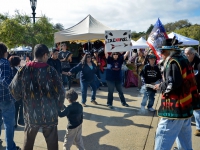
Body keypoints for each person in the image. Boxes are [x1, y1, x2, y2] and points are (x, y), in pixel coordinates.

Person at [9, 44, 65, 150]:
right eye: (47, 55)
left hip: (31, 113)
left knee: (28, 142)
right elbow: (61, 91)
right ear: (44, 55)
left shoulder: (23, 70)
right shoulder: (51, 70)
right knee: (52, 142)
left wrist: (22, 100)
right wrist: (59, 106)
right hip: (50, 113)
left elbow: (13, 88)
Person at [154, 38, 200, 150]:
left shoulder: (173, 61)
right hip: (185, 106)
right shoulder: (183, 58)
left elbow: (172, 83)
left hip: (175, 108)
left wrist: (160, 86)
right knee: (185, 141)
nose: (161, 54)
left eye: (163, 52)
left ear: (170, 51)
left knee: (163, 136)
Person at [0, 42, 21, 150]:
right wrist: (14, 90)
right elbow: (4, 80)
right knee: (9, 125)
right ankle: (11, 147)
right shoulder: (4, 63)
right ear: (5, 52)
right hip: (6, 98)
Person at [184, 47, 200, 136]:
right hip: (188, 90)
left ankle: (199, 128)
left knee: (197, 110)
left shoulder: (199, 63)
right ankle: (186, 125)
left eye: (188, 54)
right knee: (188, 108)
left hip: (197, 90)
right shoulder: (187, 63)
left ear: (193, 54)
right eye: (185, 53)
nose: (186, 55)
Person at [9, 56, 24, 128]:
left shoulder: (18, 68)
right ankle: (15, 123)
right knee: (15, 108)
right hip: (15, 92)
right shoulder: (13, 70)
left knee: (20, 106)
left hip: (20, 92)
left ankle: (20, 120)